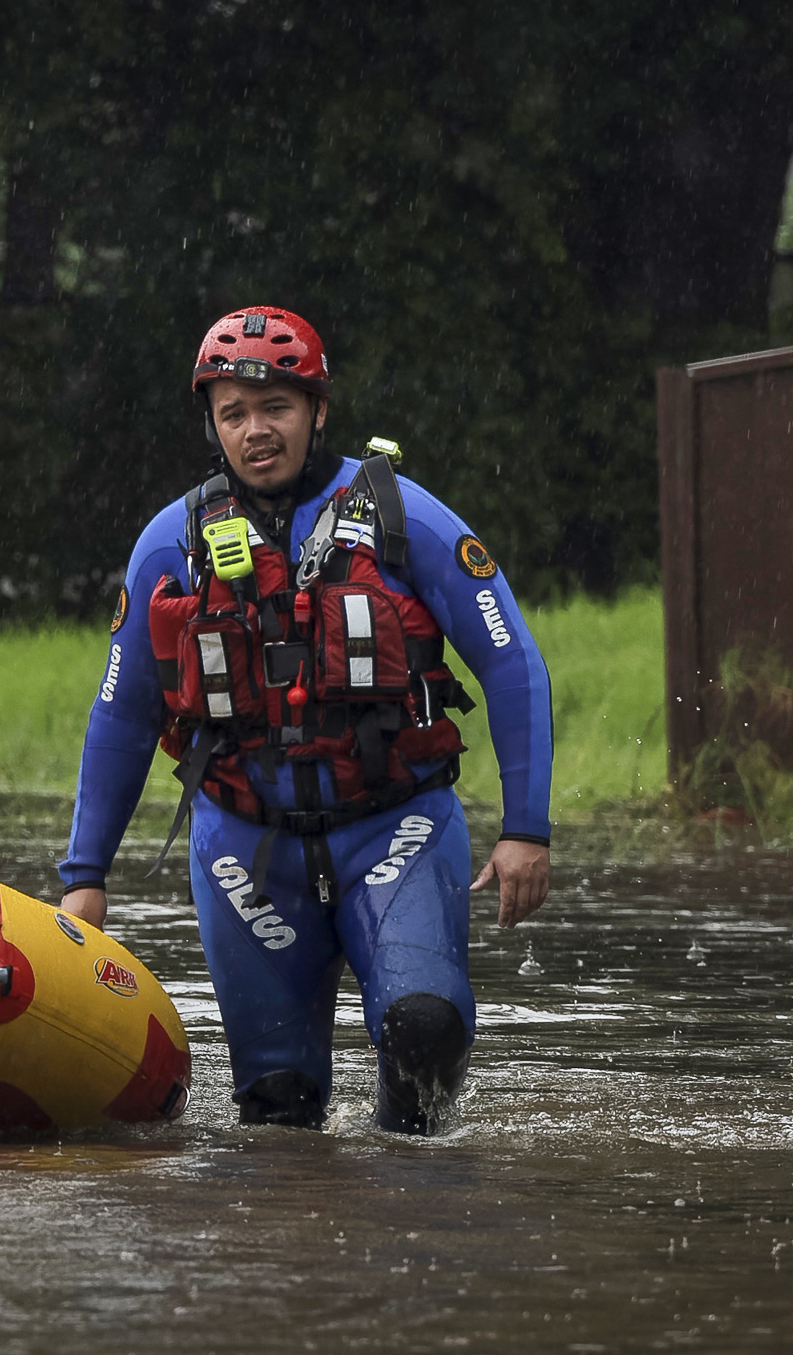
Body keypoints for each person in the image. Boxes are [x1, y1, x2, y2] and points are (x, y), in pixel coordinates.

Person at [58, 306, 552, 1135]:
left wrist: (526, 829)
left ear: (318, 410)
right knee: (276, 1114)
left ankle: (407, 1188)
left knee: (423, 1037)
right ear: (213, 426)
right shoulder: (168, 546)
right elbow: (121, 713)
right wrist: (84, 880)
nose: (257, 431)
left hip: (396, 827)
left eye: (276, 407)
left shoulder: (406, 518)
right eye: (234, 414)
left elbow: (512, 660)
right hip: (246, 849)